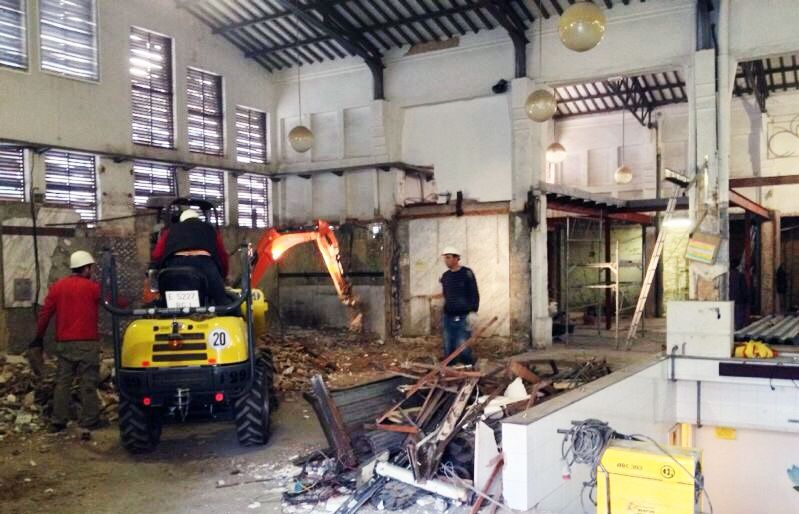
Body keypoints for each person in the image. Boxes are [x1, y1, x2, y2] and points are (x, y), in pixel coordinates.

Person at [30, 251, 104, 433]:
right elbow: (114, 303)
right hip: (88, 342)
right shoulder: (93, 288)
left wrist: (38, 338)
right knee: (88, 381)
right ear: (86, 268)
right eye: (91, 268)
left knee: (63, 382)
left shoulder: (58, 287)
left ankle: (58, 421)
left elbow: (45, 314)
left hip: (65, 343)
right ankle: (90, 420)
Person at [151, 209, 230, 305]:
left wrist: (156, 267)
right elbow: (222, 254)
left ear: (182, 220)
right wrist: (223, 275)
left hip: (174, 266)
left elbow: (157, 254)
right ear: (197, 219)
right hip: (205, 265)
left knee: (165, 302)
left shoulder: (170, 230)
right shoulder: (209, 229)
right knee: (222, 302)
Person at [438, 246, 479, 365]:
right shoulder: (446, 276)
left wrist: (473, 311)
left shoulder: (466, 273)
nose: (446, 260)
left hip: (463, 317)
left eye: (448, 258)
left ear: (457, 258)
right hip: (448, 317)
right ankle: (450, 374)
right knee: (448, 346)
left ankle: (467, 371)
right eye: (445, 258)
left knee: (463, 347)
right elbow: (446, 294)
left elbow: (474, 293)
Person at [730, 256, 748, 330]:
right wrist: (747, 299)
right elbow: (744, 289)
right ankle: (738, 331)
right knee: (739, 319)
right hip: (739, 300)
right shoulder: (740, 276)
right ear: (738, 266)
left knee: (731, 317)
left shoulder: (728, 275)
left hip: (730, 299)